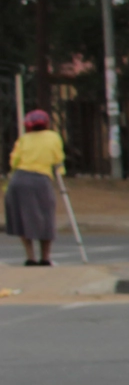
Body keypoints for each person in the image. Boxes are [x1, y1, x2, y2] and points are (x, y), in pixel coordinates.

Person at [7, 108, 65, 267]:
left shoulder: (24, 139)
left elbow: (14, 161)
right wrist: (60, 172)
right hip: (40, 179)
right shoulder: (53, 137)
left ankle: (30, 257)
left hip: (19, 179)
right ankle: (45, 258)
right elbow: (58, 159)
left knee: (24, 218)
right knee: (45, 217)